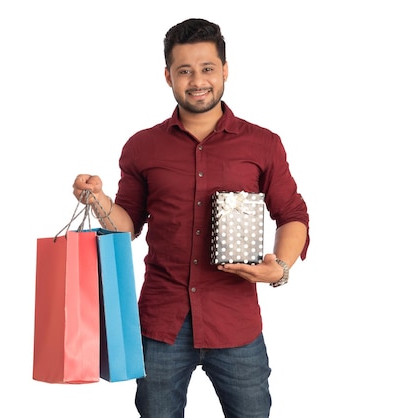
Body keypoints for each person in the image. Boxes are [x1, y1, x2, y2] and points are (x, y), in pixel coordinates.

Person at [73, 18, 309, 418]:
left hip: (235, 322)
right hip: (161, 324)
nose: (197, 81)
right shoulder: (142, 147)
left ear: (225, 70)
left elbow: (292, 214)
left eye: (207, 69)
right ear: (168, 76)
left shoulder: (263, 144)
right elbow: (127, 224)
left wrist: (280, 268)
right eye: (184, 70)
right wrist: (97, 199)